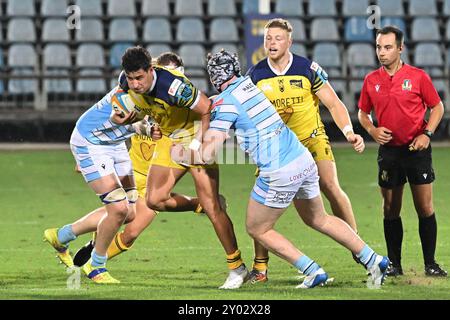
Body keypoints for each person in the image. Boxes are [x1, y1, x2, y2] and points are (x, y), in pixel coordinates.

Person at [172, 49, 389, 289]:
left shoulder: (225, 104)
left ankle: (312, 270)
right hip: (303, 160)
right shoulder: (249, 85)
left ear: (213, 76)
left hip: (279, 171)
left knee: (257, 228)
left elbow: (208, 153)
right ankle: (373, 258)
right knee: (319, 218)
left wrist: (180, 150)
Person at [46, 47, 248, 289]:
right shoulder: (127, 82)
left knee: (212, 206)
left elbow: (206, 108)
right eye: (131, 78)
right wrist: (129, 121)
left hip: (192, 133)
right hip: (169, 138)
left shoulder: (173, 87)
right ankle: (195, 205)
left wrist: (199, 144)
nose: (135, 84)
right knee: (153, 200)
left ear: (151, 71)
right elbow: (119, 108)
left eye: (140, 78)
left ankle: (237, 268)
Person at [245, 18, 365, 283]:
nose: (272, 43)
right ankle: (261, 268)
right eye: (267, 38)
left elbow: (333, 103)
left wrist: (348, 132)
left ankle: (359, 247)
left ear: (290, 41)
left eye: (277, 38)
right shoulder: (255, 74)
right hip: (277, 149)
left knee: (331, 186)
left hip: (311, 140)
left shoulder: (306, 68)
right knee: (262, 206)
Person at [357, 26, 447, 277]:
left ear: (400, 48)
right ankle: (395, 265)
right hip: (389, 153)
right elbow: (363, 113)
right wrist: (372, 131)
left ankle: (431, 264)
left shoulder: (418, 77)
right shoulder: (371, 80)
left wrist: (426, 134)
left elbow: (437, 107)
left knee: (425, 207)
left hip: (415, 151)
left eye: (387, 47)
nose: (382, 53)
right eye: (378, 47)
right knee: (390, 209)